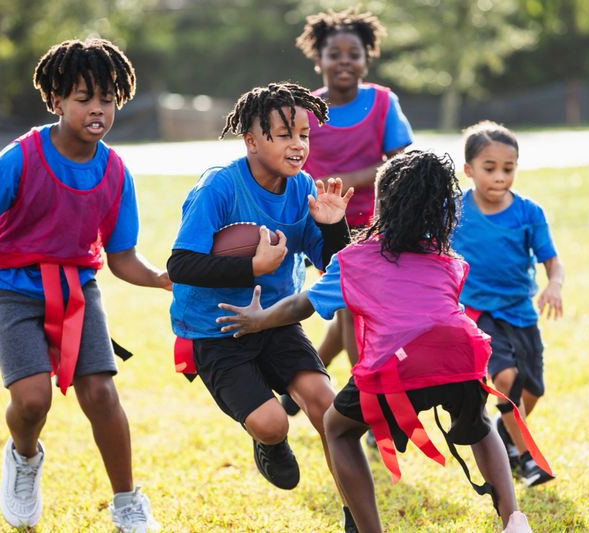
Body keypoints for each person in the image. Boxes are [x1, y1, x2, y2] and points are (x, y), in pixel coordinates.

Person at [217, 151, 549, 533]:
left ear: (383, 203)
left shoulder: (356, 258)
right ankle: (514, 520)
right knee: (478, 424)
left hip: (399, 362)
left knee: (338, 429)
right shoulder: (448, 259)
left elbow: (300, 305)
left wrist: (259, 320)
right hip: (463, 354)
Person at [0, 39, 165, 531]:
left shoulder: (114, 170)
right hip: (10, 289)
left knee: (101, 393)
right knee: (32, 401)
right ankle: (24, 459)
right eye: (83, 97)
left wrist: (160, 279)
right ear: (55, 101)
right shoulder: (22, 157)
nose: (97, 108)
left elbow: (122, 257)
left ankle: (127, 501)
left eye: (108, 98)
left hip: (77, 286)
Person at [166, 83, 357, 529]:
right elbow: (180, 264)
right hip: (217, 330)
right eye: (284, 134)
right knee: (273, 424)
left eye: (304, 135)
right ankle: (268, 443)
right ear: (252, 140)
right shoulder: (219, 185)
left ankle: (355, 512)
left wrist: (333, 227)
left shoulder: (304, 187)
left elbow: (333, 265)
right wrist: (251, 266)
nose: (298, 145)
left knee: (326, 405)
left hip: (275, 320)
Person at [286, 7, 413, 405]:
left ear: (366, 57)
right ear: (318, 58)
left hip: (377, 223)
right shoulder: (304, 108)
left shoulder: (382, 102)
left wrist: (351, 180)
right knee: (353, 311)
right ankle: (366, 405)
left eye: (353, 53)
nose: (344, 61)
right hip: (325, 227)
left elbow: (400, 163)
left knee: (350, 310)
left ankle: (297, 389)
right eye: (334, 54)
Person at [451, 120, 565, 488]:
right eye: (490, 168)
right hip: (476, 312)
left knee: (532, 390)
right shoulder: (454, 210)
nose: (500, 177)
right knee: (505, 378)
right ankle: (528, 459)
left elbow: (552, 259)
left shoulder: (529, 213)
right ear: (468, 170)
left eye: (508, 168)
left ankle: (505, 430)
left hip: (520, 311)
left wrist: (554, 285)